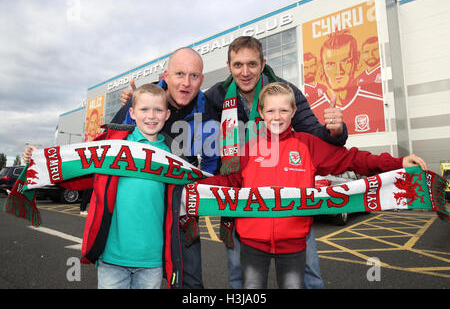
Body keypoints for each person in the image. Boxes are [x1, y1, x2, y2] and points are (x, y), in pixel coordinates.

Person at [118, 37, 347, 289]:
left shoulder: (285, 92)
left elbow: (316, 135)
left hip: (289, 200)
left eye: (252, 64)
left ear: (263, 64)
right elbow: (177, 100)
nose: (245, 72)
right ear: (229, 66)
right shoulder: (215, 97)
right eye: (238, 65)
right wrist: (139, 98)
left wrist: (335, 131)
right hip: (238, 198)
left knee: (309, 274)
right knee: (240, 275)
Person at [193, 82, 427, 288]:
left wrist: (397, 162)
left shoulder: (308, 146)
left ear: (294, 112)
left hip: (294, 244)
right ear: (261, 113)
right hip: (252, 243)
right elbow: (229, 182)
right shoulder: (250, 148)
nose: (277, 116)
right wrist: (194, 181)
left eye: (283, 110)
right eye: (271, 110)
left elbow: (352, 159)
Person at [23, 84, 181, 289]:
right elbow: (76, 166)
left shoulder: (173, 157)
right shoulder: (112, 146)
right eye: (144, 109)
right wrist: (39, 158)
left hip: (152, 260)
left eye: (158, 110)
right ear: (132, 113)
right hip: (111, 256)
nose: (151, 115)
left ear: (167, 114)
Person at [113, 47, 219, 288]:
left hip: (180, 206)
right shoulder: (141, 100)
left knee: (188, 279)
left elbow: (212, 167)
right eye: (179, 74)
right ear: (166, 75)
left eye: (194, 76)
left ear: (202, 79)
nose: (186, 83)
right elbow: (108, 145)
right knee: (128, 275)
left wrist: (197, 200)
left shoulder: (208, 113)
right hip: (138, 207)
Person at [311, 31, 385, 134]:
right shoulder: (312, 112)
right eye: (331, 64)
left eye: (346, 61)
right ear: (322, 67)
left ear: (356, 61)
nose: (339, 70)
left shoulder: (376, 102)